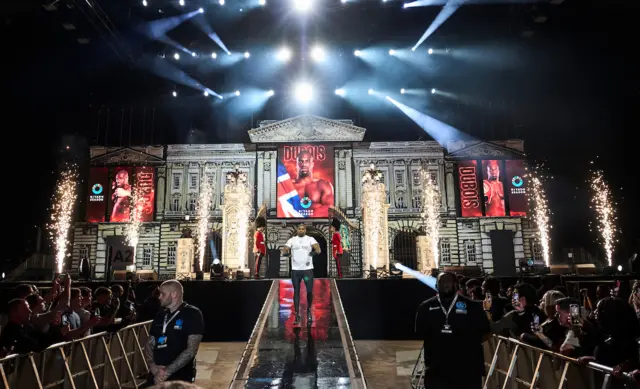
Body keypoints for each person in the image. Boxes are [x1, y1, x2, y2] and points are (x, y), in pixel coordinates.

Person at [414, 272, 491, 389]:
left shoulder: (473, 307)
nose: (446, 284)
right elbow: (419, 333)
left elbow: (485, 331)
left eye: (449, 281)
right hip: (437, 372)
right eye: (442, 282)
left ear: (456, 285)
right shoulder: (425, 307)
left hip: (467, 372)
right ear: (436, 285)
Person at [145, 280, 204, 385]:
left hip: (179, 378)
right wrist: (153, 368)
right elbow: (149, 344)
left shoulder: (192, 313)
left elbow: (191, 350)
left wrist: (166, 373)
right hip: (156, 376)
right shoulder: (161, 315)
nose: (159, 297)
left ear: (174, 294)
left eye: (163, 294)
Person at [281, 224, 321, 326]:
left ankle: (309, 312)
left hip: (307, 270)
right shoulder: (292, 240)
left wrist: (315, 252)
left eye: (303, 229)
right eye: (299, 229)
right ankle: (297, 315)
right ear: (297, 230)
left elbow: (317, 248)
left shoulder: (310, 239)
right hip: (296, 271)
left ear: (305, 230)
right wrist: (286, 252)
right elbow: (284, 249)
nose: (301, 230)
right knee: (296, 292)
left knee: (309, 291)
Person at [293, 151, 334, 217]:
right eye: (301, 161)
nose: (304, 164)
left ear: (312, 164)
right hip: (291, 223)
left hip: (318, 224)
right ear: (296, 164)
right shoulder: (288, 185)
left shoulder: (323, 185)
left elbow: (330, 210)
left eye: (307, 161)